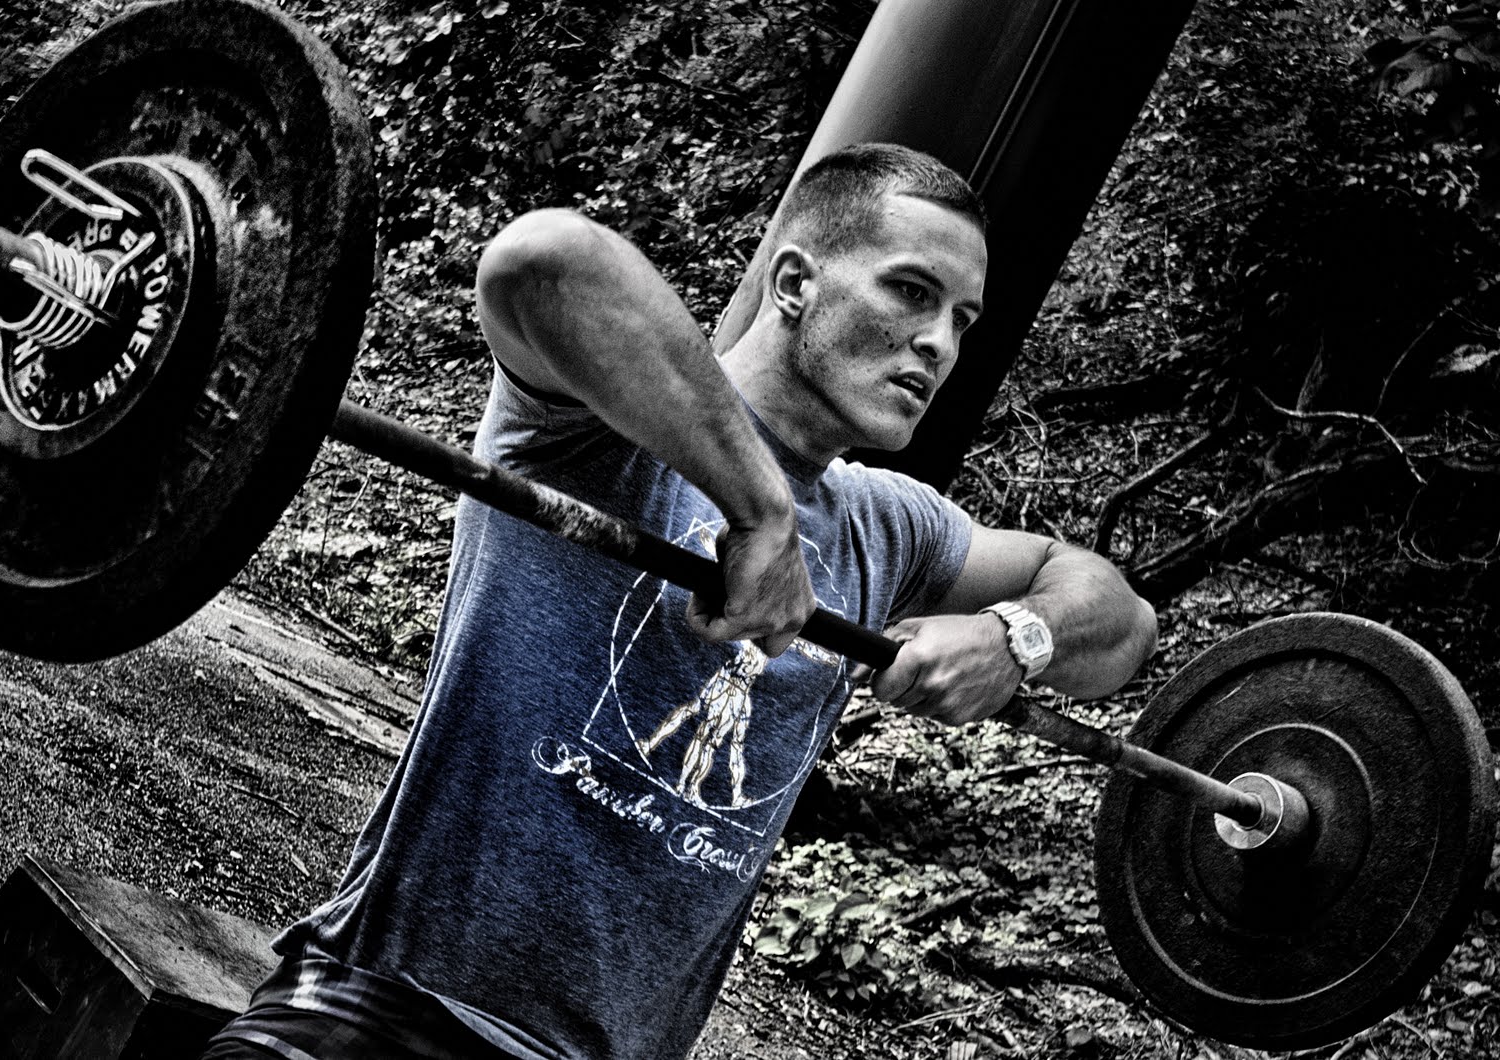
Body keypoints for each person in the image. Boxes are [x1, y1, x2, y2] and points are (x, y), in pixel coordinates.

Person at [204, 142, 1157, 1060]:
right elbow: (543, 259)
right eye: (912, 291)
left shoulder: (889, 527)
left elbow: (1121, 620)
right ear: (795, 284)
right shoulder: (601, 426)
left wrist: (1017, 637)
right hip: (388, 1012)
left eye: (963, 319)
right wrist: (761, 510)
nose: (939, 343)